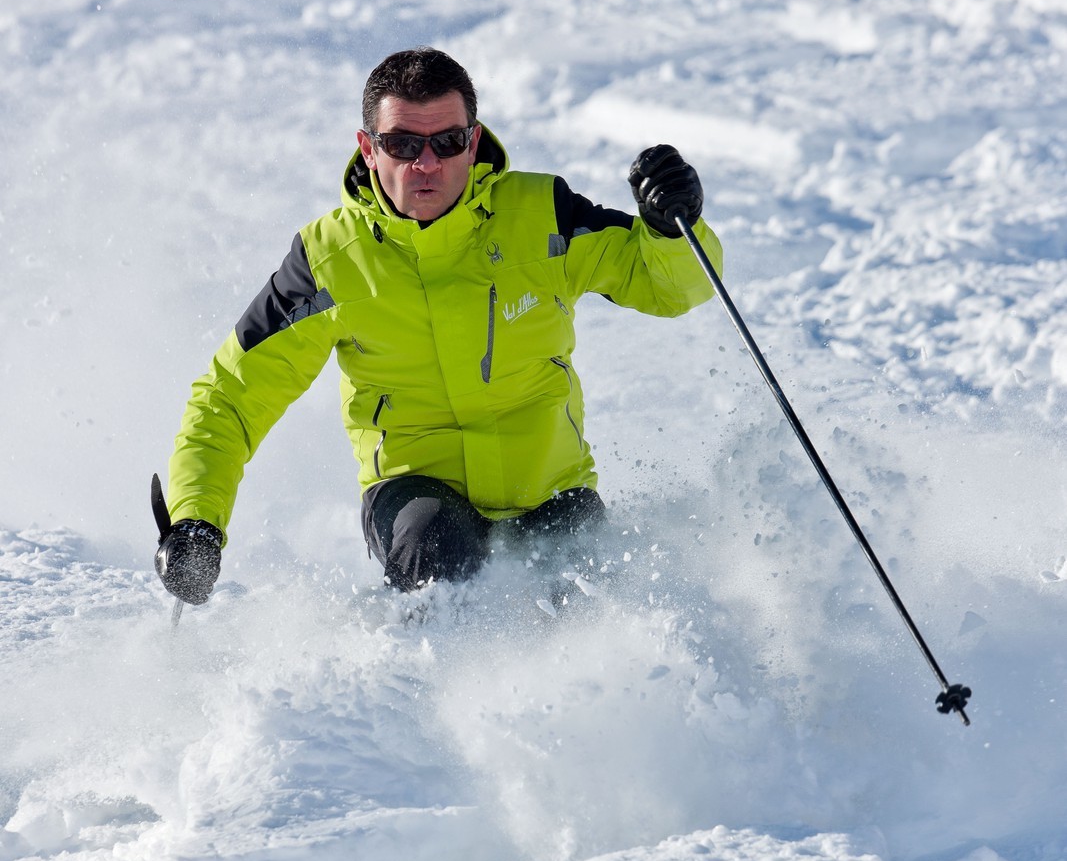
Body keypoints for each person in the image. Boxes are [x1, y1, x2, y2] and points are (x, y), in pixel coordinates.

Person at [154, 46, 722, 602]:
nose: (425, 165)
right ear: (369, 149)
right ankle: (429, 687)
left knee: (593, 589)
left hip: (549, 491)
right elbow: (232, 395)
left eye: (447, 142)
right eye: (402, 144)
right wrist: (196, 520)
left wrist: (672, 230)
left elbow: (668, 287)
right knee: (440, 556)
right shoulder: (330, 260)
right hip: (415, 496)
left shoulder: (541, 216)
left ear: (473, 143)